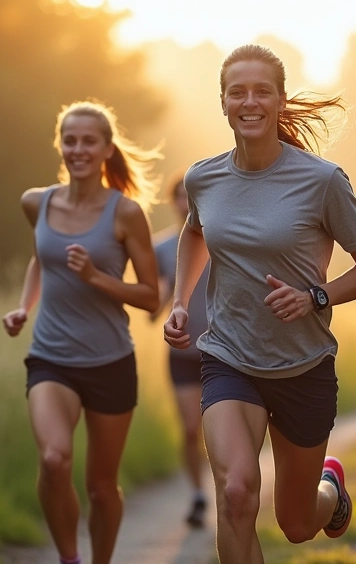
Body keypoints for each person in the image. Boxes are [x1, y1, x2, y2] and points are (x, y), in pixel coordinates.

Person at [162, 44, 356, 564]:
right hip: (229, 358)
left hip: (302, 366)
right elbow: (194, 234)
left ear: (281, 100)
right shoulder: (204, 178)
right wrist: (180, 302)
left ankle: (329, 490)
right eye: (237, 91)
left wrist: (317, 297)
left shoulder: (322, 181)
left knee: (297, 524)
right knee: (237, 494)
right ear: (222, 102)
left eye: (262, 91)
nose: (250, 101)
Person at [2, 101, 161, 564]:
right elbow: (41, 258)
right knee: (54, 460)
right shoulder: (37, 202)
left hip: (110, 361)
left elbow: (151, 296)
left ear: (107, 148)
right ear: (60, 146)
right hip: (51, 357)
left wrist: (96, 278)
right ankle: (70, 557)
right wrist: (22, 307)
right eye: (70, 141)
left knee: (101, 487)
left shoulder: (125, 214)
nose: (78, 149)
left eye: (89, 141)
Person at [153, 172, 211, 527]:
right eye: (178, 196)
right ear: (171, 202)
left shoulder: (218, 239)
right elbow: (157, 300)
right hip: (182, 353)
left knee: (218, 430)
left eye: (189, 195)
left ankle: (228, 490)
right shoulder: (161, 248)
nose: (183, 202)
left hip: (221, 350)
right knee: (191, 429)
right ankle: (198, 494)